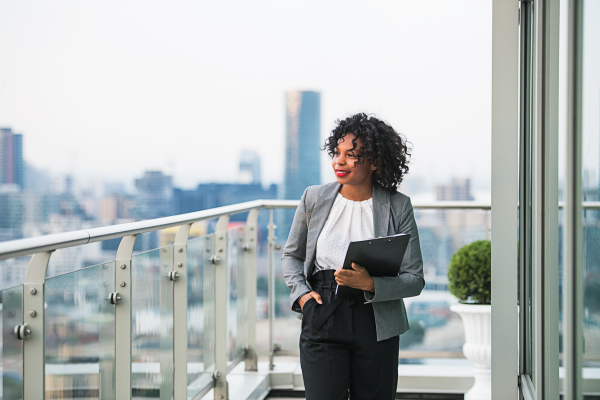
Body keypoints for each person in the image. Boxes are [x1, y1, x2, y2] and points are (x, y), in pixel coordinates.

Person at [282, 113, 425, 400]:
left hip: (377, 320)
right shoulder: (313, 198)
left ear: (374, 161)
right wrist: (302, 296)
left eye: (351, 155)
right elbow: (291, 256)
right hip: (322, 311)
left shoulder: (398, 206)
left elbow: (415, 279)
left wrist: (371, 284)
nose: (339, 161)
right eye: (337, 153)